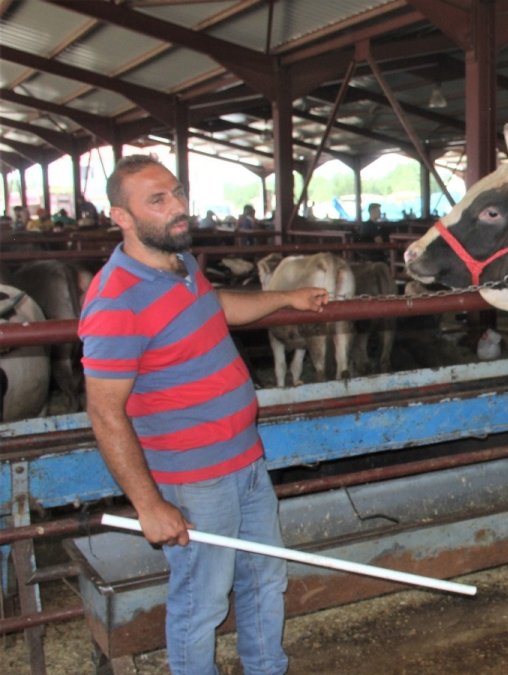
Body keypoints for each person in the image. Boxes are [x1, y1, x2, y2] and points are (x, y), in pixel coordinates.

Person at [79, 155, 329, 674]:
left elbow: (216, 306)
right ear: (121, 216)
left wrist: (287, 298)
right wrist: (148, 504)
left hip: (245, 459)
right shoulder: (115, 301)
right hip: (194, 479)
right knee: (202, 601)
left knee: (265, 577)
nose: (179, 207)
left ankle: (266, 668)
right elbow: (104, 413)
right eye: (158, 200)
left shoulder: (180, 262)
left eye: (177, 192)